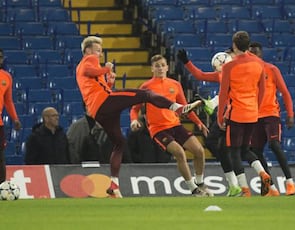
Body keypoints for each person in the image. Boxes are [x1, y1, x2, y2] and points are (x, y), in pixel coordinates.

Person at [76, 36, 202, 198]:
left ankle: (113, 186)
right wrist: (106, 69)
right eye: (97, 50)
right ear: (87, 50)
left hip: (98, 110)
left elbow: (97, 86)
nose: (99, 54)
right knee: (146, 94)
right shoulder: (89, 60)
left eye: (100, 51)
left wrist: (110, 83)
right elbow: (89, 71)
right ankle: (177, 107)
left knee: (119, 143)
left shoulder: (85, 67)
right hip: (104, 102)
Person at [130, 54, 212, 197]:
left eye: (162, 65)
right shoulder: (146, 87)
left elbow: (184, 108)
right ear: (152, 69)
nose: (160, 68)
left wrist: (199, 123)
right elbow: (134, 108)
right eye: (157, 66)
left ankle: (199, 182)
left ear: (167, 67)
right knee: (180, 153)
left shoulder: (175, 85)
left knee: (199, 150)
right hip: (158, 129)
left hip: (175, 125)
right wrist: (134, 120)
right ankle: (193, 189)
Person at [218, 31, 272, 196]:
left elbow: (223, 93)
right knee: (245, 149)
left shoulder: (229, 66)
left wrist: (221, 116)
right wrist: (256, 108)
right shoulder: (258, 63)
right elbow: (262, 90)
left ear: (234, 46)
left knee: (234, 151)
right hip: (252, 113)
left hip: (236, 114)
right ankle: (262, 173)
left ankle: (245, 189)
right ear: (248, 46)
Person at [248, 41, 295, 196]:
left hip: (271, 114)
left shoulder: (272, 69)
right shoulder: (247, 72)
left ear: (261, 53)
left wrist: (290, 114)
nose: (253, 54)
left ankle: (290, 182)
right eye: (250, 52)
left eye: (255, 52)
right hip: (254, 116)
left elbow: (285, 92)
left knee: (274, 145)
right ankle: (270, 186)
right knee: (255, 151)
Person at [67, 114, 132, 164]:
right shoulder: (78, 128)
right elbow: (74, 157)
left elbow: (126, 159)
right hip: (90, 175)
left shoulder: (115, 133)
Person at [0, 48, 22, 183]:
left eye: (1, 57)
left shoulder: (6, 77)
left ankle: (1, 186)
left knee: (1, 157)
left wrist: (15, 118)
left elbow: (8, 101)